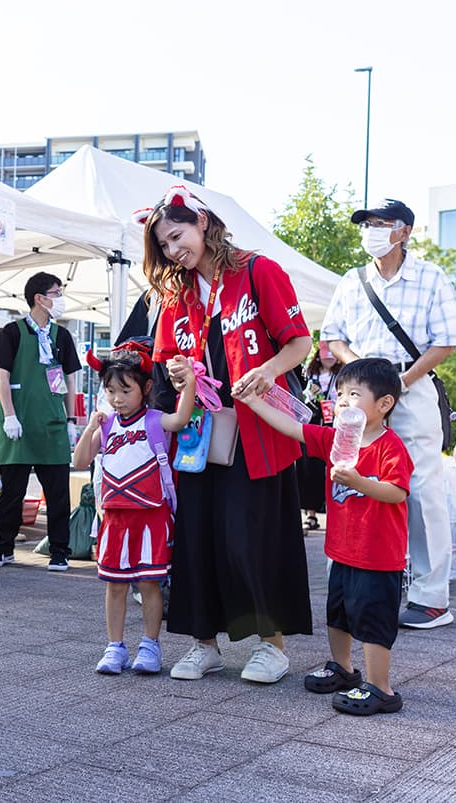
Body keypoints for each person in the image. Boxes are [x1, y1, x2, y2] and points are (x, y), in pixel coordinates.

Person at [140, 185, 313, 684]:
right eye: (165, 246)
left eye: (177, 237)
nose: (174, 251)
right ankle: (203, 644)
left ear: (203, 223)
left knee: (251, 537)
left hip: (259, 432)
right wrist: (178, 375)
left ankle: (271, 646)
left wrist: (268, 371)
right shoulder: (175, 296)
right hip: (199, 435)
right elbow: (165, 365)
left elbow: (299, 342)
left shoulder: (260, 271)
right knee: (198, 540)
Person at [321, 198, 456, 630]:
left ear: (404, 231)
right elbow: (332, 337)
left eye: (381, 223)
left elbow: (448, 340)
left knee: (421, 488)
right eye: (366, 224)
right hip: (360, 393)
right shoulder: (352, 280)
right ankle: (352, 575)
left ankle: (430, 596)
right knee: (353, 474)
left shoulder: (431, 277)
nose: (371, 231)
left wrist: (399, 381)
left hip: (412, 387)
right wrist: (361, 373)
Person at [237, 358, 411, 715]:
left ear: (384, 404)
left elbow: (397, 492)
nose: (344, 402)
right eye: (341, 394)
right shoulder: (336, 439)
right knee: (339, 614)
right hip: (342, 551)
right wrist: (255, 402)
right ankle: (343, 668)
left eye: (354, 394)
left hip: (378, 556)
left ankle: (381, 688)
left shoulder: (390, 447)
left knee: (373, 620)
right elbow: (294, 428)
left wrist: (360, 483)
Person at [72, 340, 194, 675]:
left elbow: (183, 417)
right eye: (111, 390)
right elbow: (81, 459)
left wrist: (191, 380)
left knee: (150, 584)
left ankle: (150, 645)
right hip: (114, 517)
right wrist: (91, 429)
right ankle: (115, 647)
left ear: (146, 387)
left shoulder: (155, 420)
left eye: (125, 390)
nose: (117, 398)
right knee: (115, 584)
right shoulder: (108, 424)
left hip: (152, 515)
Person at [0, 271, 81, 571]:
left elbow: (70, 379)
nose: (61, 298)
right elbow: (1, 375)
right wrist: (10, 416)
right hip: (19, 425)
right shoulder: (12, 333)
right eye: (57, 292)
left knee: (57, 494)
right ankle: (4, 547)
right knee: (13, 492)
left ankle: (59, 551)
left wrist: (71, 420)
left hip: (52, 425)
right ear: (40, 298)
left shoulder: (62, 336)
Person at [297, 342, 342, 530]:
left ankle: (337, 511)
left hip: (335, 424)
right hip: (313, 422)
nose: (329, 357)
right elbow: (301, 395)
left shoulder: (343, 375)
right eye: (325, 353)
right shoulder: (309, 374)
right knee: (310, 469)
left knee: (336, 468)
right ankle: (311, 513)